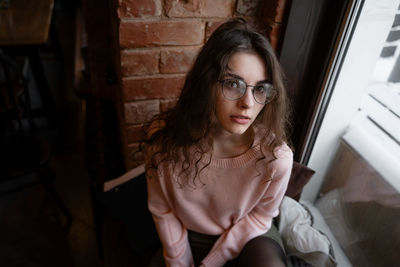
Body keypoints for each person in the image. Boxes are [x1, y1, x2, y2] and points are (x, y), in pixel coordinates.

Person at [144, 18, 293, 267]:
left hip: (250, 233)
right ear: (206, 83)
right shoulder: (164, 143)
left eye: (260, 89)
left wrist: (212, 262)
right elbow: (162, 210)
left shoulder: (276, 157)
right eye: (233, 84)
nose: (248, 103)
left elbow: (260, 217)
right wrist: (179, 261)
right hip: (188, 235)